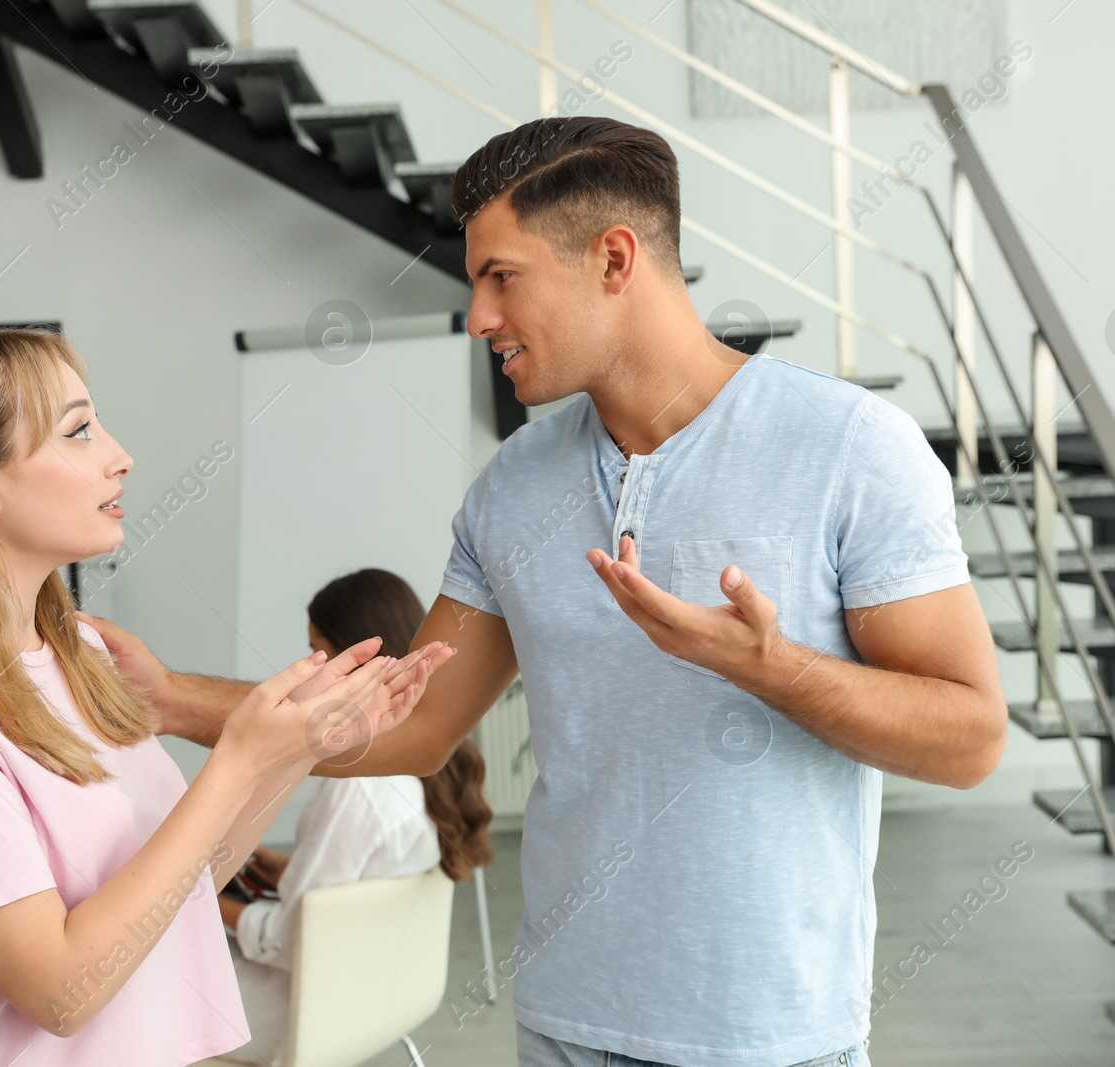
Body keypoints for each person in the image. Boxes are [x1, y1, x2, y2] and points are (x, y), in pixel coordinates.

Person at [85, 116, 1007, 1067]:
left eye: (502, 276)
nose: (479, 315)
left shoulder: (852, 447)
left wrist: (771, 668)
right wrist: (169, 699)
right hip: (566, 1024)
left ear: (614, 259)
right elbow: (412, 723)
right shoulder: (514, 487)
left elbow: (971, 737)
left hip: (770, 1036)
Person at [0, 329, 452, 1065]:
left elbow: (186, 881)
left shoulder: (78, 653)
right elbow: (60, 989)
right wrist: (235, 758)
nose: (119, 454)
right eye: (79, 429)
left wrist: (296, 748)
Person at [212, 568, 494, 1067]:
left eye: (321, 654)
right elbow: (355, 886)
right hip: (379, 1001)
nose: (310, 671)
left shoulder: (359, 790)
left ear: (359, 660)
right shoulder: (430, 770)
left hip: (297, 1013)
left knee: (141, 976)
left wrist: (199, 905)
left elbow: (286, 940)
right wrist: (286, 869)